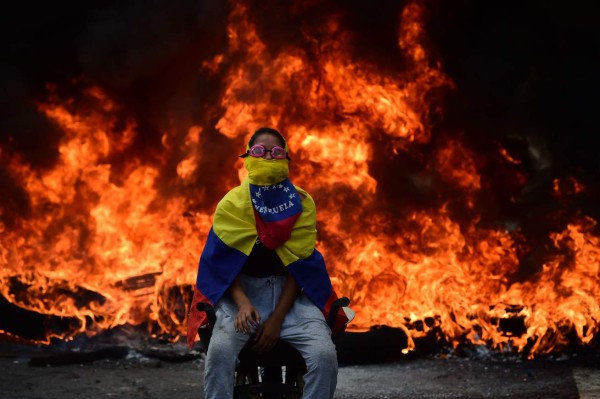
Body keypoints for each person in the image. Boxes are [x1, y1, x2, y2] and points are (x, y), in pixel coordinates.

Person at [187, 127, 348, 399]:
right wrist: (243, 303)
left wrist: (277, 319)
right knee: (219, 353)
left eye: (276, 152)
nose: (269, 158)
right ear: (248, 157)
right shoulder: (231, 204)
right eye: (260, 152)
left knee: (324, 356)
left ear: (286, 158)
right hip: (242, 294)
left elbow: (300, 266)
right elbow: (221, 265)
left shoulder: (301, 203)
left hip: (292, 297)